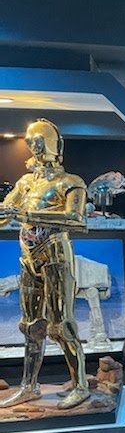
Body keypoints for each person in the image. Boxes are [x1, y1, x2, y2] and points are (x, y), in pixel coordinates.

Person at [0, 119, 90, 409]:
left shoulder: (71, 182)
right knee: (30, 325)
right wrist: (8, 212)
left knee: (61, 324)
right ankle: (29, 386)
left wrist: (27, 215)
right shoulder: (26, 183)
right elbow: (6, 212)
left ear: (52, 145)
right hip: (28, 257)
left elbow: (77, 220)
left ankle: (80, 385)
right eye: (32, 143)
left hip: (55, 257)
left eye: (39, 142)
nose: (35, 149)